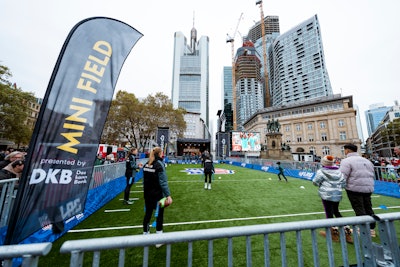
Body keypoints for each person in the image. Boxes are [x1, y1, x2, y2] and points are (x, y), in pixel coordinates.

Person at [312, 155, 352, 243]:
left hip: (326, 194)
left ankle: (332, 233)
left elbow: (315, 182)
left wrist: (322, 185)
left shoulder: (321, 171)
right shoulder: (338, 171)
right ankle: (347, 232)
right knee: (336, 211)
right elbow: (343, 183)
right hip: (337, 194)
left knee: (328, 212)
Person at [339, 143, 376, 237]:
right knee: (368, 207)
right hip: (368, 187)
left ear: (347, 150)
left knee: (359, 208)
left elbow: (342, 176)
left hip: (354, 188)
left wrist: (339, 186)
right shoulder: (367, 161)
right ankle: (372, 229)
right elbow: (372, 173)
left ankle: (363, 229)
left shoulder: (346, 161)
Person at [142, 147, 172, 248]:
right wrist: (168, 195)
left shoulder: (147, 164)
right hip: (158, 195)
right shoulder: (159, 164)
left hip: (148, 194)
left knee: (148, 214)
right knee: (159, 215)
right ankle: (159, 239)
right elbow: (163, 182)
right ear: (159, 154)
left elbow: (144, 181)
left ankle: (145, 236)